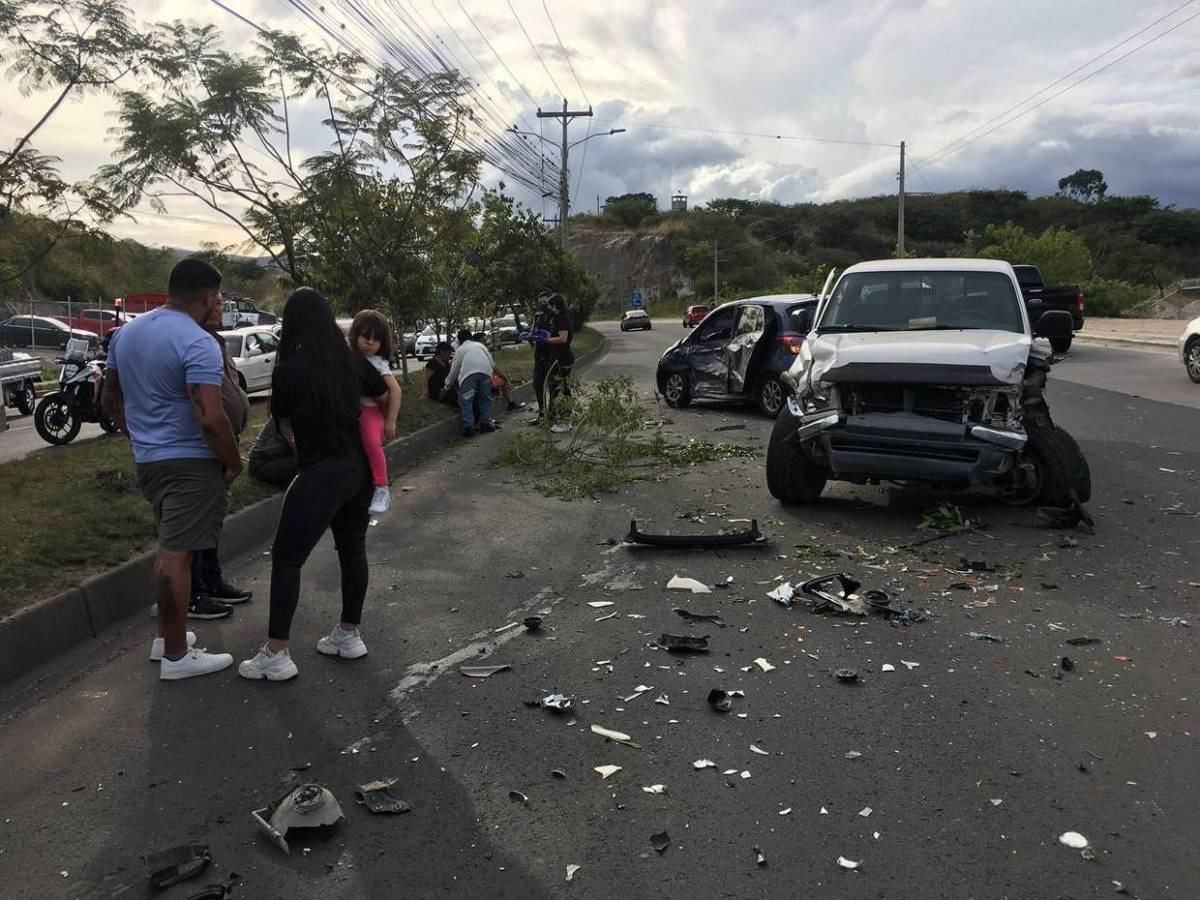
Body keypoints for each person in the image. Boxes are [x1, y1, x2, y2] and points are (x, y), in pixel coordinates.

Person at [238, 287, 389, 682]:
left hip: (321, 471)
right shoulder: (353, 361)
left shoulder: (288, 370)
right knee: (352, 548)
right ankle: (348, 635)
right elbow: (383, 391)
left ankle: (276, 653)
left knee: (287, 558)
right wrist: (379, 428)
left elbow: (283, 420)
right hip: (358, 470)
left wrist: (295, 440)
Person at [101, 258, 241, 681]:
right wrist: (232, 460)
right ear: (207, 296)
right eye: (216, 296)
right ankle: (177, 657)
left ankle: (168, 638)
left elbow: (110, 399)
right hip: (190, 462)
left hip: (150, 461)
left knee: (168, 546)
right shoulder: (197, 342)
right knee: (176, 555)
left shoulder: (126, 334)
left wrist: (138, 437)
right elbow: (211, 418)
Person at [188, 297, 254, 620]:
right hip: (203, 447)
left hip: (223, 443)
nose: (217, 308)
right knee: (198, 524)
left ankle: (212, 580)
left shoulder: (215, 342)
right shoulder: (192, 342)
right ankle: (195, 591)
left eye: (221, 302)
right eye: (212, 301)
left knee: (214, 520)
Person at [348, 310, 402, 515]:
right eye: (365, 337)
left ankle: (382, 487)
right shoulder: (348, 357)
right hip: (351, 410)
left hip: (370, 410)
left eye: (375, 339)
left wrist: (391, 420)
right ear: (355, 336)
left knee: (372, 442)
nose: (369, 343)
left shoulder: (379, 363)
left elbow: (395, 390)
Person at [445, 328, 494, 438]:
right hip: (485, 373)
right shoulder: (481, 346)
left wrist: (447, 386)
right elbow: (491, 362)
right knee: (485, 399)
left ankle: (469, 427)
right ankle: (486, 423)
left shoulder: (461, 350)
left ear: (459, 340)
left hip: (469, 375)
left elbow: (454, 370)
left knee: (466, 400)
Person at [541, 293, 575, 421]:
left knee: (561, 387)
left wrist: (547, 340)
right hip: (557, 357)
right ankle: (555, 414)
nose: (548, 307)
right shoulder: (556, 318)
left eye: (549, 305)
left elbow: (563, 338)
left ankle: (564, 414)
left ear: (555, 305)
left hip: (562, 358)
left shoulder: (562, 318)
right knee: (556, 386)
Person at [471, 331, 524, 413]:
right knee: (503, 381)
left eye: (486, 341)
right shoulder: (481, 352)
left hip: (481, 378)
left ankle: (510, 402)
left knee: (500, 379)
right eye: (483, 341)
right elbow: (494, 367)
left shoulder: (474, 352)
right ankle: (510, 403)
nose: (486, 343)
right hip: (480, 380)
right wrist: (505, 379)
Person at [248, 418, 299, 487]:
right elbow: (297, 449)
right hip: (262, 464)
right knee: (308, 464)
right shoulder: (284, 418)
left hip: (277, 458)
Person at [528, 291, 553, 424]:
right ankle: (542, 412)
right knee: (537, 384)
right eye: (540, 303)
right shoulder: (538, 315)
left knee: (553, 385)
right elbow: (533, 329)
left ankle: (553, 414)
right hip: (539, 353)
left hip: (551, 353)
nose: (543, 305)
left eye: (545, 302)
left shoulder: (554, 315)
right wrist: (530, 336)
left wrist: (546, 337)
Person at [421, 341, 455, 406]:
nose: (449, 356)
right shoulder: (432, 364)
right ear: (442, 352)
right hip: (437, 392)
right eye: (448, 354)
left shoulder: (446, 363)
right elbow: (425, 378)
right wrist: (425, 392)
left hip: (446, 390)